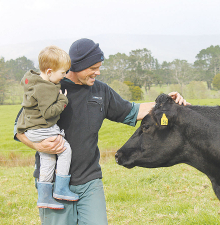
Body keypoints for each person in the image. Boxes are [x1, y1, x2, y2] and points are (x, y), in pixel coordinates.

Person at [14, 38, 189, 225]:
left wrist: (166, 103)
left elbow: (132, 110)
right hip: (53, 183)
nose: (97, 72)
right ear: (77, 66)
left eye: (99, 67)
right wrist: (37, 144)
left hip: (90, 181)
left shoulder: (101, 91)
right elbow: (19, 128)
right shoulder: (49, 87)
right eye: (92, 68)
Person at [17, 46, 79, 210]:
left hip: (33, 129)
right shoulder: (45, 88)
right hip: (43, 128)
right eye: (63, 73)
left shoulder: (33, 80)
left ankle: (44, 197)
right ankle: (61, 189)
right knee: (65, 150)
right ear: (50, 72)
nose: (64, 76)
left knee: (48, 158)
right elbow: (48, 113)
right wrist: (62, 100)